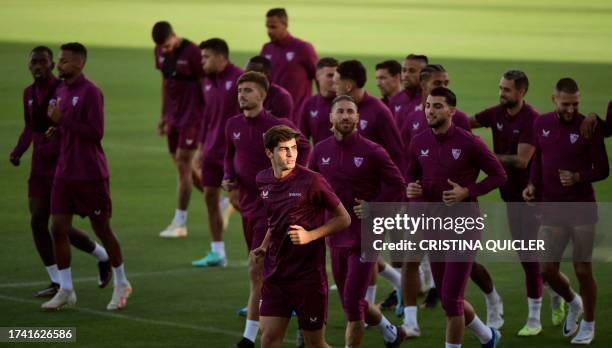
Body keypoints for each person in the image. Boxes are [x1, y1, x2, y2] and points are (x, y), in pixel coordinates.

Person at [406, 87, 506, 348]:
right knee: (451, 302)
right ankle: (488, 337)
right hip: (433, 227)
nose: (431, 110)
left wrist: (468, 192)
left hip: (463, 226)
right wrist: (412, 188)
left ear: (452, 110)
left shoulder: (469, 142)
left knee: (451, 300)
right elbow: (411, 177)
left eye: (438, 106)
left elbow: (499, 175)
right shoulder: (418, 142)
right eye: (428, 105)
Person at [9, 46, 111, 298]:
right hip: (39, 165)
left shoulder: (62, 89)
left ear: (52, 64)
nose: (38, 66)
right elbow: (30, 128)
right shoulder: (28, 94)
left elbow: (82, 128)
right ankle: (57, 280)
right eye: (33, 62)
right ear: (28, 65)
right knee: (37, 220)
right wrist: (19, 150)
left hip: (62, 163)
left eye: (43, 61)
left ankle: (101, 256)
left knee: (58, 225)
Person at [310, 95, 407, 347]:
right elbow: (308, 185)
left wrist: (374, 207)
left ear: (357, 118)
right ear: (331, 117)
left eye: (350, 112)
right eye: (340, 111)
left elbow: (398, 185)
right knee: (351, 302)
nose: (345, 116)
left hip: (366, 236)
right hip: (336, 234)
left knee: (353, 305)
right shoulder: (320, 150)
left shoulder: (373, 151)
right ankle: (392, 333)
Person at [223, 72, 311, 348]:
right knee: (266, 271)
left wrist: (290, 177)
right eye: (240, 91)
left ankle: (249, 337)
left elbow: (305, 147)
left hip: (271, 210)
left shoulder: (276, 126)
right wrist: (229, 178)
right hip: (247, 208)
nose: (242, 95)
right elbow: (229, 154)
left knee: (258, 269)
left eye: (248, 90)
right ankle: (301, 323)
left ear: (262, 95)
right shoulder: (233, 124)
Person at [41, 42, 131, 310]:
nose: (59, 64)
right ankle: (66, 289)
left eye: (64, 61)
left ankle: (122, 282)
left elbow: (95, 132)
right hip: (65, 173)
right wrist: (56, 130)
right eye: (59, 60)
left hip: (90, 174)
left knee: (102, 229)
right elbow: (66, 124)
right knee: (57, 227)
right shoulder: (61, 90)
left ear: (80, 63)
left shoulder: (91, 92)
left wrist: (62, 121)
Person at [470, 69, 557, 335]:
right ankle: (556, 290)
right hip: (510, 197)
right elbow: (468, 121)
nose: (501, 93)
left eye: (507, 89)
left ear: (521, 92)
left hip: (533, 199)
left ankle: (534, 319)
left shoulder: (532, 119)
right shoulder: (496, 113)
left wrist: (484, 155)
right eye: (500, 88)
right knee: (527, 255)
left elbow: (522, 160)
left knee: (529, 257)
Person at [523, 78, 609, 345]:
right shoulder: (541, 123)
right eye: (566, 104)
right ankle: (574, 302)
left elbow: (603, 169)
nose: (571, 109)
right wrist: (532, 184)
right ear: (554, 100)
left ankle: (589, 324)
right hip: (552, 207)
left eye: (575, 104)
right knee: (547, 268)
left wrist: (578, 177)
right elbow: (539, 157)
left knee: (583, 270)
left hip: (581, 208)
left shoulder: (588, 126)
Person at [253, 125, 351, 348]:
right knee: (268, 340)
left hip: (308, 278)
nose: (290, 154)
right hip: (275, 275)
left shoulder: (312, 181)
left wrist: (311, 235)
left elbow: (344, 218)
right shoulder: (262, 180)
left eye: (294, 148)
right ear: (269, 152)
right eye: (283, 149)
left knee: (314, 344)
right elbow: (276, 219)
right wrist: (264, 245)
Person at [191, 38, 244, 267]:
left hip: (232, 152)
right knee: (210, 197)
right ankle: (217, 252)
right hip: (212, 150)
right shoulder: (207, 81)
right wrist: (201, 147)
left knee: (242, 202)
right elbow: (207, 116)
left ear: (221, 57)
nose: (202, 61)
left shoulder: (239, 79)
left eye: (206, 57)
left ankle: (271, 247)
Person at [152, 21, 205, 238]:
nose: (164, 50)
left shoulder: (193, 52)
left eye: (167, 45)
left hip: (193, 118)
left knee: (183, 166)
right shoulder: (160, 52)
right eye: (161, 47)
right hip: (174, 117)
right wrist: (164, 115)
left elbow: (205, 85)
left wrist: (210, 118)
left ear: (174, 35)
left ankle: (180, 222)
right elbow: (165, 82)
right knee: (180, 163)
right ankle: (220, 198)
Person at [333, 59, 404, 171]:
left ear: (348, 86)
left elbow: (397, 154)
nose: (334, 88)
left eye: (336, 84)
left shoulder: (379, 111)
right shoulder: (338, 109)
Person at [260, 8, 318, 120]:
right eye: (267, 26)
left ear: (285, 25)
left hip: (295, 117)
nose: (269, 31)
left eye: (273, 27)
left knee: (291, 138)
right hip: (270, 116)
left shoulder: (302, 48)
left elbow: (319, 77)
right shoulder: (266, 49)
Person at [297, 57, 338, 145]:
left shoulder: (347, 103)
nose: (334, 79)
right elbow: (302, 139)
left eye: (336, 76)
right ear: (317, 76)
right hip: (320, 158)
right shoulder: (309, 104)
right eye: (330, 75)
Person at [388, 54, 428, 119]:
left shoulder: (430, 101)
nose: (406, 75)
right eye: (404, 70)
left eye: (412, 71)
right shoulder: (395, 100)